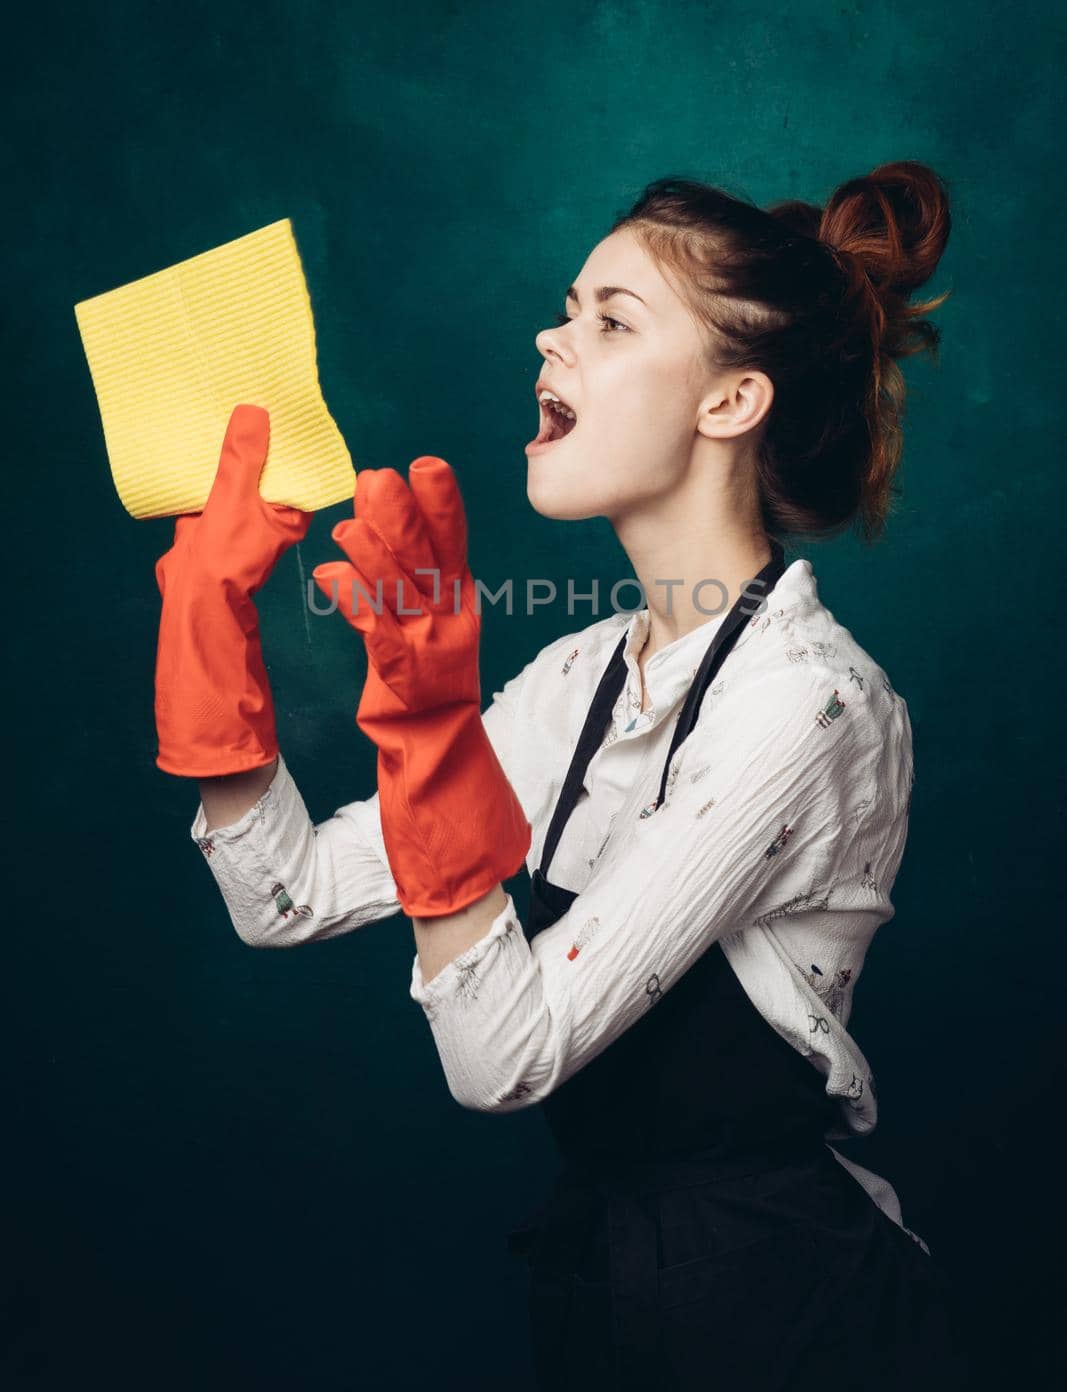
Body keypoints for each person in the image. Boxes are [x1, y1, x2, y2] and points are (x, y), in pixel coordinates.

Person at [153, 161, 971, 1390]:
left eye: (610, 319)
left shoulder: (808, 703)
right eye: (565, 304)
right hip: (608, 1299)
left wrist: (431, 739)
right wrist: (217, 641)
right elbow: (287, 898)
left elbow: (505, 1060)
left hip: (789, 1314)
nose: (552, 333)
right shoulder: (582, 673)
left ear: (731, 398)